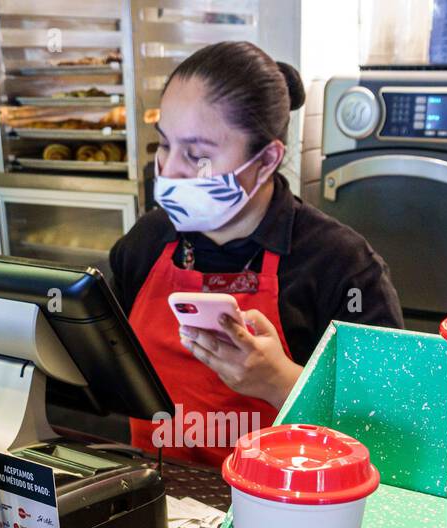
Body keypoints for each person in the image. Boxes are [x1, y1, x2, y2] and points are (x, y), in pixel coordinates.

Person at [110, 41, 403, 466]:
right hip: (157, 499)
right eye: (164, 145)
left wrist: (282, 383)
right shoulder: (146, 243)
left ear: (266, 161)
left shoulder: (342, 267)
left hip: (287, 515)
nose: (169, 171)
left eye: (196, 155)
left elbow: (395, 431)